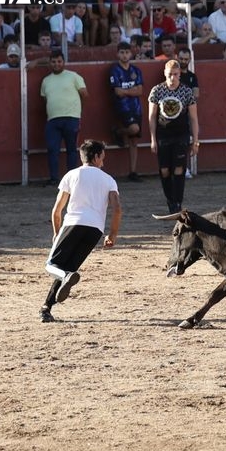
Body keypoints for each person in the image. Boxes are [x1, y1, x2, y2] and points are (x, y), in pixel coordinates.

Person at [40, 140, 123, 323]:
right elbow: (117, 209)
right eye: (102, 157)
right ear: (95, 156)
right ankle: (46, 308)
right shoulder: (108, 180)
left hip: (73, 224)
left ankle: (59, 289)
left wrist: (56, 232)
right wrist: (113, 234)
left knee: (52, 266)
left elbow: (57, 210)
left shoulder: (72, 175)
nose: (103, 161)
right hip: (95, 230)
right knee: (67, 269)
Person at [148, 59, 199, 213]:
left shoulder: (187, 92)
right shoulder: (157, 91)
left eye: (175, 74)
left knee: (178, 168)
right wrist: (152, 138)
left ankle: (177, 202)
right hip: (163, 134)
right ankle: (170, 200)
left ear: (179, 75)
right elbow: (152, 116)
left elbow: (194, 118)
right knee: (164, 169)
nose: (172, 78)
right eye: (170, 74)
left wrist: (195, 140)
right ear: (165, 73)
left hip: (181, 134)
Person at [40, 50, 89, 185]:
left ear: (64, 62)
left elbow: (84, 94)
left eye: (59, 61)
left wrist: (77, 111)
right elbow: (45, 99)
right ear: (50, 63)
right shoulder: (46, 81)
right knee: (52, 148)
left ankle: (72, 179)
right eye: (54, 62)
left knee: (71, 149)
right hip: (53, 119)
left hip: (71, 117)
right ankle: (54, 178)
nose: (56, 64)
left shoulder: (73, 76)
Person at [109, 42, 144, 182]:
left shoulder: (136, 70)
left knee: (134, 141)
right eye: (122, 52)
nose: (124, 55)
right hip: (122, 107)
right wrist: (132, 91)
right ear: (118, 54)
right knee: (134, 129)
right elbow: (117, 92)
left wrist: (126, 92)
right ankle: (118, 132)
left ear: (131, 53)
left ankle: (133, 171)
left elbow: (140, 91)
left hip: (136, 107)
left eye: (127, 52)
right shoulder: (114, 70)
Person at [178, 46, 199, 179]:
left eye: (186, 59)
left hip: (187, 113)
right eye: (181, 58)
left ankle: (184, 167)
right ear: (177, 58)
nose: (184, 61)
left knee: (185, 142)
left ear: (190, 59)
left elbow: (196, 94)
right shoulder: (172, 75)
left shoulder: (192, 76)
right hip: (173, 114)